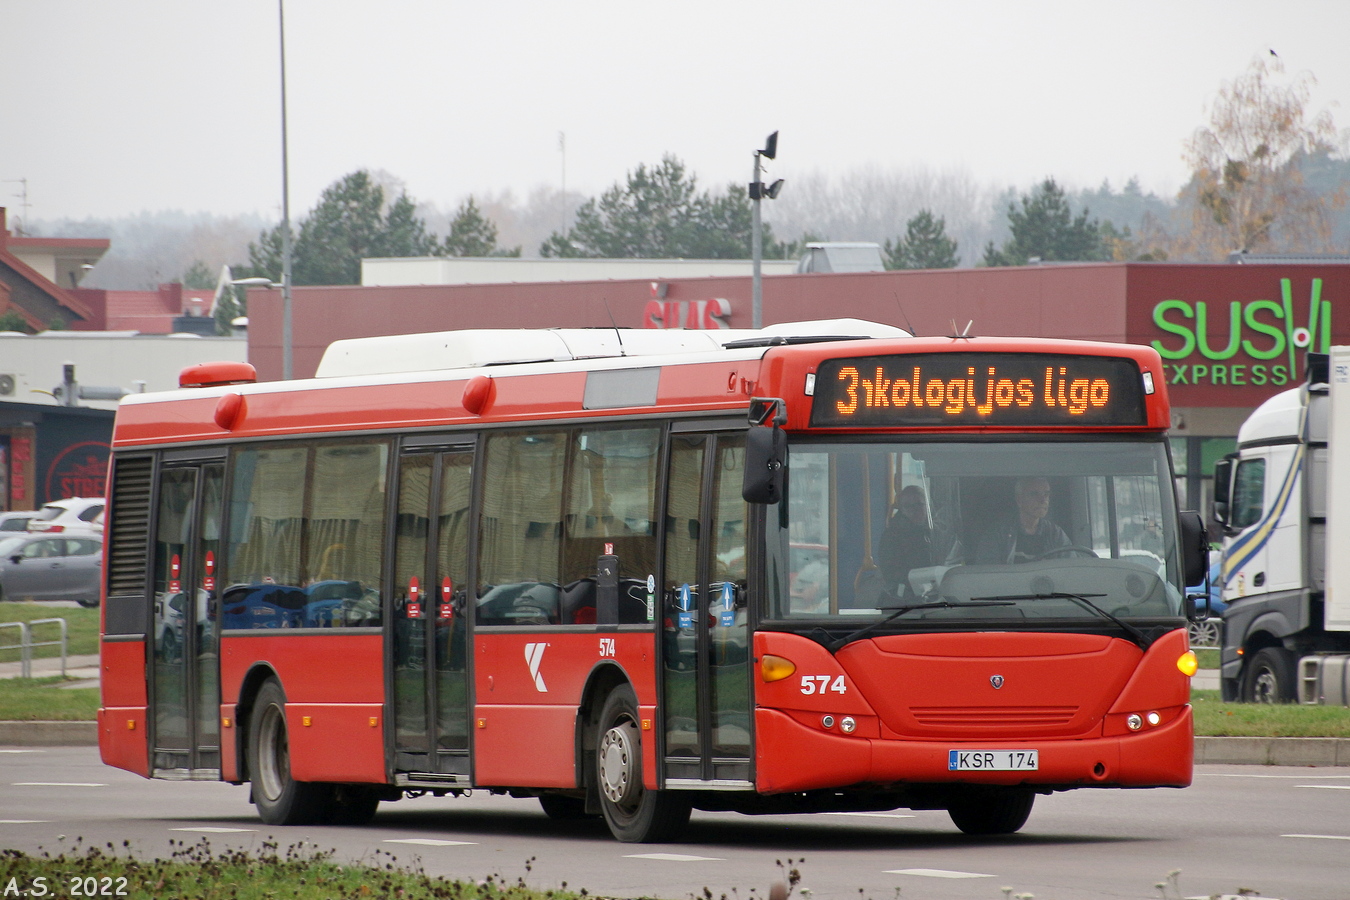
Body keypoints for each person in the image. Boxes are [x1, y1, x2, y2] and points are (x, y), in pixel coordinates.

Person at [974, 476, 1071, 564]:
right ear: (1019, 500)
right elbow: (989, 575)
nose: (1043, 500)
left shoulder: (1056, 534)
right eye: (1034, 494)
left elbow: (1070, 568)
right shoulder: (997, 534)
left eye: (1046, 494)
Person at [878, 485, 939, 594]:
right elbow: (890, 573)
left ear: (928, 506)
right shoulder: (892, 536)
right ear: (901, 510)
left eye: (919, 504)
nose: (915, 510)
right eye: (908, 506)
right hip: (905, 596)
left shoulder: (939, 531)